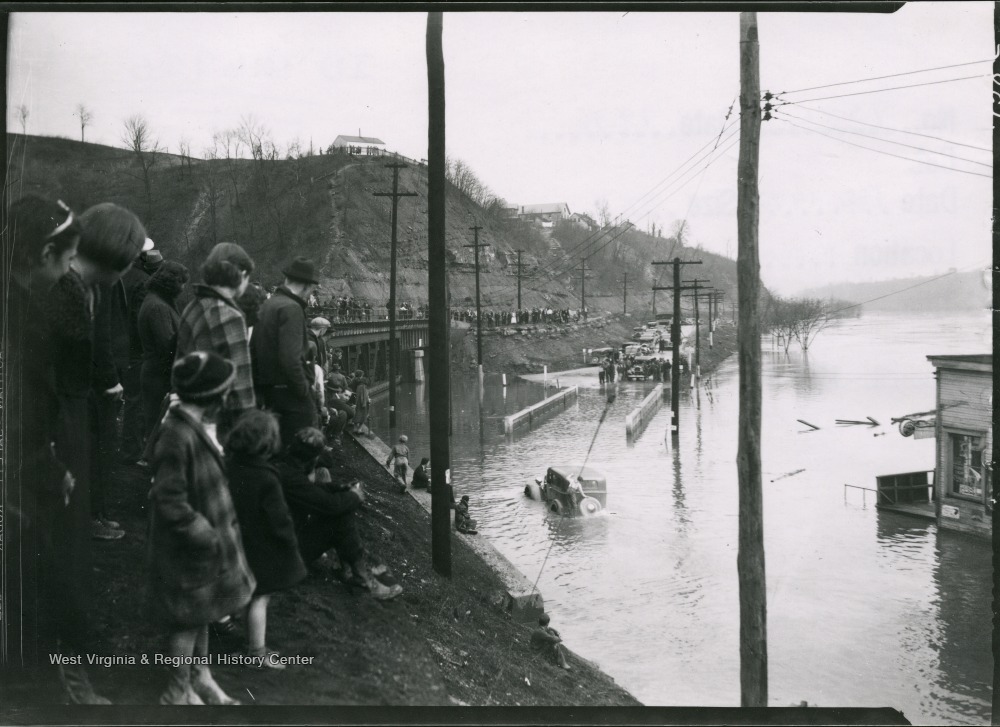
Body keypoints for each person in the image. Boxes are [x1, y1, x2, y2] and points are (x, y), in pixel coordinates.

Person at [2, 195, 113, 703]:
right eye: (67, 259)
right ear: (45, 253)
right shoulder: (20, 314)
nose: (70, 270)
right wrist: (48, 466)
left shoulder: (22, 302)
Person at [148, 352, 256, 705]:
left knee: (204, 610)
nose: (227, 398)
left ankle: (201, 677)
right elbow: (168, 500)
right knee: (186, 618)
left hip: (204, 548)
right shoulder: (176, 436)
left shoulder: (192, 426)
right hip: (189, 547)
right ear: (212, 397)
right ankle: (177, 691)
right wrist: (204, 533)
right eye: (223, 392)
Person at [276, 428, 402, 601]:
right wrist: (354, 496)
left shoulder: (286, 467)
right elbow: (329, 505)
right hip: (284, 559)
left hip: (282, 544)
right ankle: (363, 577)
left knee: (340, 510)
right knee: (339, 516)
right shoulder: (292, 478)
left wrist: (341, 488)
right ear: (312, 459)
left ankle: (353, 569)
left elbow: (312, 491)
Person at [225, 410, 307, 669]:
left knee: (249, 594)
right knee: (261, 597)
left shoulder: (230, 466)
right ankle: (257, 652)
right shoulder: (267, 476)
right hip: (261, 546)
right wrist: (290, 541)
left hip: (238, 541)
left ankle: (248, 643)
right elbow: (279, 519)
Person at [174, 242, 256, 440]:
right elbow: (241, 388)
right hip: (218, 423)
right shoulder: (229, 314)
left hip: (187, 414)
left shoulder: (193, 305)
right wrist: (251, 430)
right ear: (242, 275)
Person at [251, 256, 321, 448]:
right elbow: (291, 359)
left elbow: (253, 349)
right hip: (291, 396)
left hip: (269, 392)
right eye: (312, 289)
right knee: (304, 450)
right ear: (307, 286)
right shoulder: (292, 308)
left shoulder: (268, 305)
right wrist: (304, 391)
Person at [138, 261, 190, 442]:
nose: (183, 288)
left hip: (155, 373)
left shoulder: (157, 300)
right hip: (159, 376)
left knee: (156, 426)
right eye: (181, 283)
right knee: (158, 428)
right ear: (171, 283)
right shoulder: (159, 307)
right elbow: (167, 345)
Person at [350, 370, 371, 436]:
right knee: (364, 413)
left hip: (355, 399)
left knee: (356, 413)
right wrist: (368, 399)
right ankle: (359, 429)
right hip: (362, 401)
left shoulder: (353, 381)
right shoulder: (362, 385)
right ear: (361, 375)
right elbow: (365, 395)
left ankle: (355, 428)